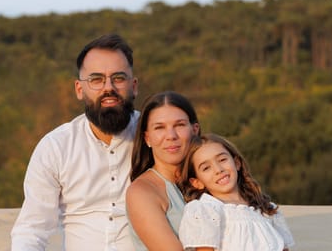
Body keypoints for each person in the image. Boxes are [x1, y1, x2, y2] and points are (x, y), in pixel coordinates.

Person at [11, 34, 140, 251]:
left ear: (134, 86)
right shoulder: (56, 147)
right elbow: (32, 229)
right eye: (96, 79)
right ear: (79, 89)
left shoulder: (157, 138)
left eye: (118, 78)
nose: (108, 88)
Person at [177, 134, 295, 251]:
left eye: (222, 160)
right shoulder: (205, 210)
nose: (218, 170)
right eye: (206, 168)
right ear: (197, 182)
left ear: (237, 163)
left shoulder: (267, 209)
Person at [126, 91, 201, 251]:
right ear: (147, 138)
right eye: (159, 128)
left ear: (194, 130)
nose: (171, 135)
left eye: (179, 125)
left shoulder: (213, 179)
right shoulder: (142, 192)